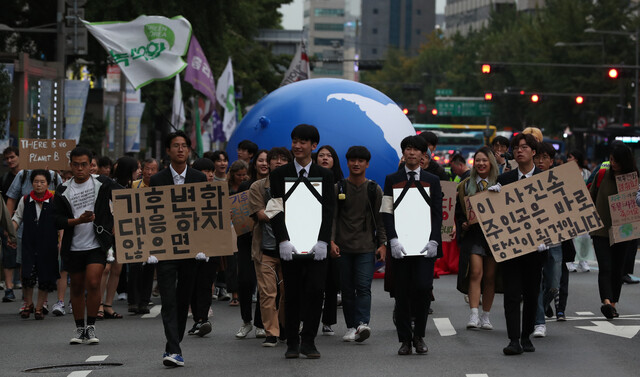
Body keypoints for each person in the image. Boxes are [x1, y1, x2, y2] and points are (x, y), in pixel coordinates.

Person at [269, 124, 335, 359]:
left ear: (313, 146)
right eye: (294, 141)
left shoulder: (326, 175)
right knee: (293, 293)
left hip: (317, 247)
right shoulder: (278, 174)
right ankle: (292, 342)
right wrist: (283, 240)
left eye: (303, 142)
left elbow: (328, 211)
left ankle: (309, 340)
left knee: (316, 291)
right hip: (290, 246)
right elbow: (275, 209)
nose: (297, 146)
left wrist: (323, 241)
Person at [147, 130, 208, 367]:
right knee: (169, 299)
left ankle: (174, 344)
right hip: (165, 250)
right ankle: (172, 349)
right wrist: (150, 248)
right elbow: (152, 216)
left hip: (192, 250)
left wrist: (205, 245)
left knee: (183, 300)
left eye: (184, 145)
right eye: (176, 145)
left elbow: (205, 213)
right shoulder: (158, 179)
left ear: (189, 150)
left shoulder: (199, 178)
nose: (180, 149)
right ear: (168, 151)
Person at [381, 135, 443, 355]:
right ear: (403, 153)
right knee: (402, 292)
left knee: (423, 289)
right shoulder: (391, 179)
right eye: (407, 149)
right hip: (401, 247)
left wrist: (435, 239)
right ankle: (405, 340)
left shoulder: (432, 180)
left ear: (423, 155)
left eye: (416, 150)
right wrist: (393, 239)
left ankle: (419, 337)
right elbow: (387, 212)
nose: (411, 153)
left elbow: (437, 214)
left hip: (425, 246)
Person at [54, 147, 120, 345]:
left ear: (92, 164)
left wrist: (116, 224)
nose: (80, 169)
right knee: (76, 287)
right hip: (73, 246)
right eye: (76, 165)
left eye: (85, 164)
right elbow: (57, 220)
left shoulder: (103, 183)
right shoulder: (63, 189)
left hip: (97, 244)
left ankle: (91, 327)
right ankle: (79, 328)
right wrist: (78, 221)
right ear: (71, 165)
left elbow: (125, 198)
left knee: (93, 282)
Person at [488, 133, 546, 355]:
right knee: (512, 293)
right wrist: (493, 199)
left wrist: (547, 240)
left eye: (524, 147)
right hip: (511, 248)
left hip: (537, 249)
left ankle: (526, 336)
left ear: (533, 152)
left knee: (531, 293)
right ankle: (513, 339)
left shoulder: (545, 179)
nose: (520, 151)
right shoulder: (505, 180)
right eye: (516, 148)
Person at [331, 146, 386, 343]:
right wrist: (331, 241)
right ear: (347, 162)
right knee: (346, 289)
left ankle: (362, 323)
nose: (356, 164)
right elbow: (333, 218)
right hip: (343, 247)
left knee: (363, 286)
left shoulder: (374, 189)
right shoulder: (339, 188)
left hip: (366, 247)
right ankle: (350, 326)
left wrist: (382, 244)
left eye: (360, 161)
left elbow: (380, 220)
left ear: (367, 164)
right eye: (352, 160)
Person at [589, 144, 639, 319]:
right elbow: (590, 196)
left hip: (624, 230)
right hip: (601, 229)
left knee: (618, 268)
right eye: (611, 159)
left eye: (616, 161)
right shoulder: (602, 174)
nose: (613, 163)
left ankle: (613, 304)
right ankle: (607, 302)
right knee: (605, 267)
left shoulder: (634, 178)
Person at [249, 147, 292, 347]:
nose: (279, 162)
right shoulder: (257, 187)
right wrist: (285, 214)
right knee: (267, 294)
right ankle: (271, 333)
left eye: (284, 159)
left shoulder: (295, 184)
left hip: (290, 248)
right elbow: (261, 215)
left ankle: (284, 327)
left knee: (287, 293)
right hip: (264, 249)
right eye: (275, 159)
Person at [455, 146, 499, 331]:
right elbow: (458, 212)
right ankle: (473, 313)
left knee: (490, 277)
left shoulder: (501, 183)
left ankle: (486, 316)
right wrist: (463, 223)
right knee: (475, 272)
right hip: (473, 236)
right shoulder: (465, 185)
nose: (481, 164)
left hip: (495, 236)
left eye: (484, 160)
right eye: (478, 160)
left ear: (491, 163)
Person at [12, 170, 60, 320]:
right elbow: (17, 218)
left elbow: (61, 223)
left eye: (42, 182)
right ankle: (28, 304)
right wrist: (11, 234)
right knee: (27, 274)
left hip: (48, 244)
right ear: (31, 183)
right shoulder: (25, 200)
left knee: (45, 275)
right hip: (29, 243)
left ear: (48, 184)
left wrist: (61, 241)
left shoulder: (54, 200)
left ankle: (39, 308)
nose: (39, 185)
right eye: (36, 182)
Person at [234, 151, 267, 339]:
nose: (263, 164)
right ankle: (246, 321)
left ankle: (260, 323)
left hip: (267, 240)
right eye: (260, 160)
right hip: (246, 239)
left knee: (265, 283)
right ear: (255, 164)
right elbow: (238, 212)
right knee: (245, 281)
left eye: (266, 161)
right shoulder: (245, 186)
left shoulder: (276, 185)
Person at [531, 143, 563, 339]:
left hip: (555, 240)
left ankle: (538, 307)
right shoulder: (526, 182)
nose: (540, 162)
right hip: (532, 241)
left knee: (553, 282)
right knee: (536, 281)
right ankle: (539, 321)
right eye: (538, 158)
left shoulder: (561, 181)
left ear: (552, 161)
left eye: (545, 158)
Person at [186, 158, 220, 337]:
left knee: (206, 283)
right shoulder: (185, 194)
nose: (210, 174)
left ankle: (202, 319)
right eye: (206, 171)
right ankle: (198, 319)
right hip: (190, 246)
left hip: (212, 245)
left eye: (212, 171)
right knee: (192, 283)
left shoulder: (219, 193)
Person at [314, 145, 344, 336]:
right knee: (315, 283)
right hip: (312, 235)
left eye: (329, 156)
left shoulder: (341, 183)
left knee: (332, 282)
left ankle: (328, 322)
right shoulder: (310, 179)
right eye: (321, 155)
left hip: (336, 237)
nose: (325, 158)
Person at [225, 160, 249, 305]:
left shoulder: (247, 186)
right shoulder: (226, 188)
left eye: (244, 175)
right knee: (232, 262)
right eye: (239, 175)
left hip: (245, 225)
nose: (241, 177)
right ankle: (234, 293)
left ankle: (246, 291)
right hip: (230, 228)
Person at [566, 150, 594, 273]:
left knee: (585, 236)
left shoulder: (587, 173)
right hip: (570, 207)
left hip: (584, 207)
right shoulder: (564, 172)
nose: (568, 160)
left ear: (576, 159)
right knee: (571, 235)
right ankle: (570, 261)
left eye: (570, 157)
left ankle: (583, 261)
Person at [1, 146, 20, 302]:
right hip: (9, 221)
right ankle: (9, 287)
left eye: (12, 157)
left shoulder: (28, 175)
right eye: (7, 158)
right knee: (8, 252)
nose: (9, 161)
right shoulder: (5, 178)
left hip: (29, 221)